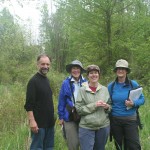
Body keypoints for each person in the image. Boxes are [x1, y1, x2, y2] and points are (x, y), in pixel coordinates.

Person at [108, 59, 145, 150]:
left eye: (123, 68)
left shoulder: (133, 84)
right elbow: (108, 102)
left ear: (126, 71)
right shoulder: (111, 86)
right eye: (118, 68)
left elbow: (142, 99)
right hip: (115, 121)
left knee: (134, 146)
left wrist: (134, 103)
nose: (120, 70)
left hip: (131, 120)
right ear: (116, 71)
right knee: (119, 146)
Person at [75, 65, 111, 150]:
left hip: (103, 127)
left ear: (99, 75)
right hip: (86, 127)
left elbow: (110, 106)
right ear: (88, 76)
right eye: (91, 73)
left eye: (96, 73)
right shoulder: (82, 90)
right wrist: (94, 105)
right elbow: (79, 109)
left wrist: (107, 107)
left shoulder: (104, 89)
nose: (94, 75)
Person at [24, 54, 55, 150]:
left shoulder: (46, 80)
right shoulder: (33, 81)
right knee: (37, 148)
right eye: (43, 64)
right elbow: (29, 105)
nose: (45, 66)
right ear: (37, 65)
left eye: (47, 64)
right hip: (39, 124)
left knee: (49, 147)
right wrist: (32, 121)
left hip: (50, 123)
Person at [58, 60, 86, 150]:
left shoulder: (86, 82)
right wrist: (61, 117)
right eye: (74, 68)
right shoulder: (65, 83)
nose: (76, 70)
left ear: (81, 70)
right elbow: (61, 100)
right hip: (69, 116)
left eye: (78, 68)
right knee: (73, 144)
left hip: (84, 116)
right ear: (70, 70)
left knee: (85, 143)